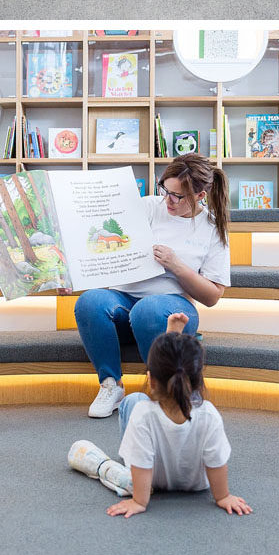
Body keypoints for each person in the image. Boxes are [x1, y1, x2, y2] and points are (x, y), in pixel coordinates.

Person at [74, 154, 231, 418]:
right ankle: (111, 385)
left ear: (201, 195)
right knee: (89, 302)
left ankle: (163, 392)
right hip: (123, 303)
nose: (167, 200)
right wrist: (76, 276)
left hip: (172, 311)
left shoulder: (212, 228)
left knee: (147, 309)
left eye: (177, 196)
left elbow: (213, 296)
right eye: (165, 190)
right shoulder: (147, 207)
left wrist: (176, 265)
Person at [70, 313, 250, 518]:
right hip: (197, 484)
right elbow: (216, 462)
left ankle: (171, 338)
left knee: (134, 399)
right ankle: (174, 342)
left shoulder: (143, 413)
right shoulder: (209, 413)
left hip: (149, 482)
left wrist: (139, 501)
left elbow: (141, 461)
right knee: (175, 397)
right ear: (199, 380)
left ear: (151, 380)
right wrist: (223, 496)